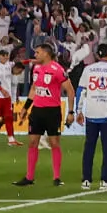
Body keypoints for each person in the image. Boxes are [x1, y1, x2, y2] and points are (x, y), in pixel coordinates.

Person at [17, 43, 68, 188]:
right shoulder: (36, 68)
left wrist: (71, 111)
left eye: (38, 52)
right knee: (33, 142)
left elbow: (69, 89)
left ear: (46, 53)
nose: (35, 55)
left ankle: (56, 177)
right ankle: (29, 177)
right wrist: (26, 107)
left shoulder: (57, 69)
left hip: (52, 111)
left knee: (54, 143)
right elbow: (34, 88)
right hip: (37, 111)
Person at [76, 51, 107, 191]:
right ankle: (105, 181)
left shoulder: (88, 69)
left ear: (98, 56)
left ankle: (86, 180)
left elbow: (81, 91)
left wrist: (78, 111)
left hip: (91, 114)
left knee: (89, 148)